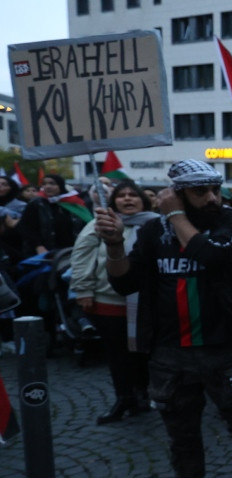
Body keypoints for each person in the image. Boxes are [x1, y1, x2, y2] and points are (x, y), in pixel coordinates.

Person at [97, 159, 232, 478]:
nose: (212, 197)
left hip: (225, 346)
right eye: (200, 191)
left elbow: (213, 255)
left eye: (215, 188)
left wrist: (176, 216)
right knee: (181, 431)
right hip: (170, 352)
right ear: (177, 192)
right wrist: (113, 245)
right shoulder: (153, 233)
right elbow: (126, 284)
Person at [69, 181, 159, 424]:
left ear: (144, 200)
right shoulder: (99, 225)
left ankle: (142, 394)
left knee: (143, 352)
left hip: (146, 302)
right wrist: (84, 290)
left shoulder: (156, 225)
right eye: (122, 196)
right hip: (108, 300)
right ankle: (123, 397)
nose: (128, 199)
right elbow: (81, 259)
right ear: (113, 201)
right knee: (118, 354)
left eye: (133, 195)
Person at [18, 173, 86, 258]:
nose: (47, 186)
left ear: (60, 185)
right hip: (45, 253)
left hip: (74, 252)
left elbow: (85, 225)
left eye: (52, 183)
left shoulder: (74, 203)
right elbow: (27, 228)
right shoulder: (37, 204)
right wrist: (39, 246)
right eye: (44, 184)